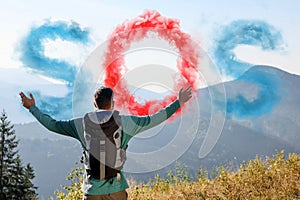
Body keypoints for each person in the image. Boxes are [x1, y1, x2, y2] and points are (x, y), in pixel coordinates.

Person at [19, 86, 192, 200]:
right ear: (113, 103)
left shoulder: (81, 124)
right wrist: (179, 102)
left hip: (92, 190)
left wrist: (32, 107)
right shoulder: (125, 123)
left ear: (94, 104)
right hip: (116, 189)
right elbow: (155, 118)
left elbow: (52, 125)